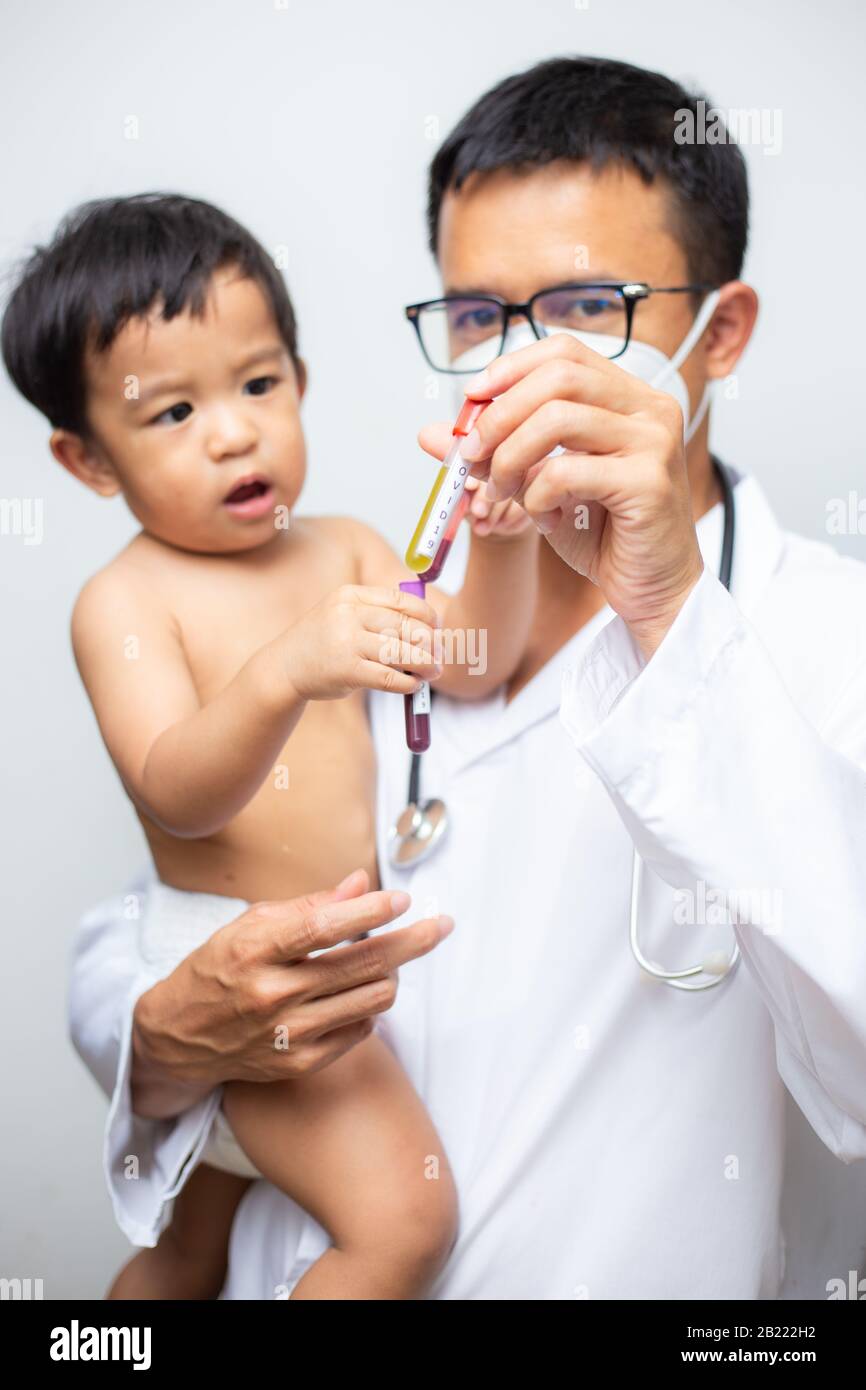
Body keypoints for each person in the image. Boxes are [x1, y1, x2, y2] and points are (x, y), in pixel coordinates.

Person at [68, 57, 866, 1299]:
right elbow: (185, 881)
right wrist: (153, 1037)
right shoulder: (368, 591)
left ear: (721, 335)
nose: (518, 365)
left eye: (585, 305)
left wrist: (660, 608)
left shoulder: (825, 633)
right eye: (482, 318)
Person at [2, 193, 538, 1298]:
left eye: (257, 384)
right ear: (87, 460)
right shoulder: (126, 601)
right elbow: (178, 791)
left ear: (300, 379)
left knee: (185, 1252)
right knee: (403, 1219)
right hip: (241, 970)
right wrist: (287, 668)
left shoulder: (343, 548)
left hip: (319, 962)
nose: (234, 430)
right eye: (169, 413)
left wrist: (503, 534)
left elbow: (473, 659)